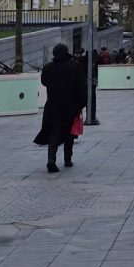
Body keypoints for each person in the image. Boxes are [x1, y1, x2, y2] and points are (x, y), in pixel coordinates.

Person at [34, 43, 86, 173]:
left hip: (53, 105)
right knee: (69, 132)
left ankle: (51, 160)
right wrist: (82, 103)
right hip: (71, 105)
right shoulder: (75, 67)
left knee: (54, 133)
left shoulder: (48, 67)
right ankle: (68, 160)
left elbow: (44, 82)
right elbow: (81, 87)